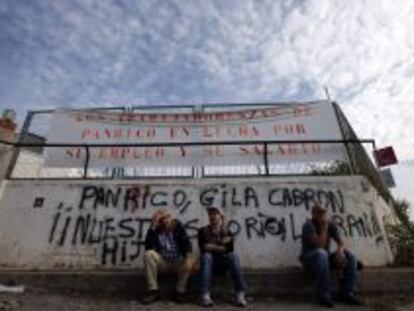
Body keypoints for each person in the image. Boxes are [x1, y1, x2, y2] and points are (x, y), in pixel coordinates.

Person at [300, 202, 362, 308]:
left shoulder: (330, 224)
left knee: (350, 256)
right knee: (321, 253)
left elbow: (341, 242)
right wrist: (324, 228)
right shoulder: (308, 226)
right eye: (319, 212)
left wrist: (340, 251)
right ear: (313, 214)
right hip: (310, 259)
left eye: (324, 212)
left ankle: (347, 293)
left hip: (324, 259)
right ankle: (324, 295)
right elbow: (320, 245)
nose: (322, 215)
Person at [198, 206, 248, 307]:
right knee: (206, 257)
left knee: (233, 257)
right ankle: (205, 295)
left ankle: (240, 294)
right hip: (210, 264)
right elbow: (204, 248)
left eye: (215, 214)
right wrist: (221, 246)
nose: (213, 217)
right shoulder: (203, 231)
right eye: (210, 214)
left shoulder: (226, 231)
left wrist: (213, 246)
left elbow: (229, 249)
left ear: (220, 216)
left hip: (224, 263)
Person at [142, 209, 195, 304]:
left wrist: (189, 258)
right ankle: (153, 291)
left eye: (167, 217)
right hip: (163, 262)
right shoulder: (156, 230)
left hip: (177, 262)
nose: (165, 221)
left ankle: (180, 292)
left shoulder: (178, 227)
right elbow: (148, 247)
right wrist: (153, 226)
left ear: (171, 218)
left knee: (189, 260)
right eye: (162, 219)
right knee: (148, 254)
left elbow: (187, 244)